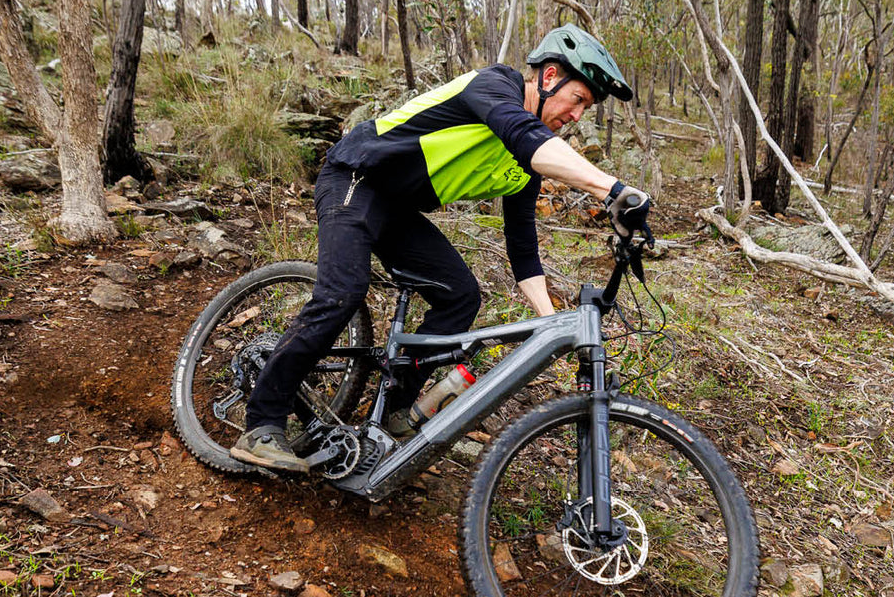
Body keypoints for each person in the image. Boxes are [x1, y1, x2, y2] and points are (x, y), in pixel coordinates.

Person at [233, 24, 653, 472]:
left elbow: (523, 251)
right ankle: (262, 423)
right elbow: (523, 134)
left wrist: (552, 323)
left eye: (586, 108)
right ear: (550, 77)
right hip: (356, 176)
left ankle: (395, 410)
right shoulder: (494, 86)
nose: (577, 115)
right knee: (344, 291)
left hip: (395, 208)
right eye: (578, 99)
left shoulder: (526, 165)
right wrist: (612, 190)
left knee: (460, 296)